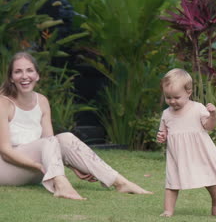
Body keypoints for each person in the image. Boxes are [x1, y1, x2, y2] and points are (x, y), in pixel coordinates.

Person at [0, 52, 152, 200]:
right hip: (8, 169)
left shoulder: (42, 101)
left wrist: (72, 165)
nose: (25, 76)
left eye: (29, 70)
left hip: (37, 169)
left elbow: (51, 144)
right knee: (49, 141)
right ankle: (62, 186)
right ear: (11, 78)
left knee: (64, 138)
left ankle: (120, 182)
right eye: (18, 72)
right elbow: (6, 151)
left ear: (37, 75)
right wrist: (38, 165)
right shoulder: (4, 103)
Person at [156, 68, 216, 217]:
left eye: (176, 97)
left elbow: (209, 126)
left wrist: (213, 115)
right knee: (172, 183)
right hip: (178, 156)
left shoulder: (197, 108)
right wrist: (161, 137)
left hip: (200, 153)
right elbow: (163, 132)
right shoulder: (166, 114)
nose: (172, 101)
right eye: (168, 97)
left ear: (188, 92)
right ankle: (168, 210)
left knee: (211, 180)